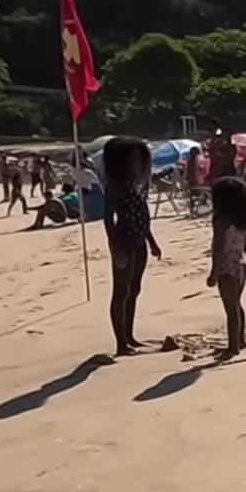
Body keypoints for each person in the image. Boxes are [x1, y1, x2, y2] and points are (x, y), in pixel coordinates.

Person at [102, 137, 161, 356]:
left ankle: (129, 336)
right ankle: (121, 342)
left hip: (139, 241)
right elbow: (109, 220)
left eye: (139, 162)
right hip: (124, 240)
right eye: (133, 162)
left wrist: (152, 242)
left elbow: (143, 218)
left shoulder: (135, 186)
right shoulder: (114, 186)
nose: (137, 167)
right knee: (121, 291)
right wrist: (116, 249)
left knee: (134, 289)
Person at [207, 176, 246, 357]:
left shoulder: (220, 221)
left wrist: (214, 272)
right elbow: (244, 245)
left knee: (230, 309)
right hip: (241, 264)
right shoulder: (241, 220)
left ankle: (232, 347)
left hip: (227, 267)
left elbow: (218, 246)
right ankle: (240, 340)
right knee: (236, 305)